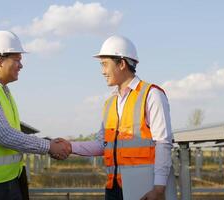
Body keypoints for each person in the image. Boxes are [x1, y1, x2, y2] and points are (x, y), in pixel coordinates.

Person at [0, 30, 71, 200]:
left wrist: (47, 142)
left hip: (7, 180)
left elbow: (11, 134)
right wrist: (48, 147)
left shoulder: (2, 91)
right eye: (17, 60)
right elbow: (4, 136)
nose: (21, 66)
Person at [67, 35, 177, 200]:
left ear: (122, 63)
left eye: (105, 64)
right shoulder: (110, 102)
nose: (102, 71)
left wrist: (159, 189)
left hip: (145, 189)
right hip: (114, 188)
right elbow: (102, 144)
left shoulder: (151, 95)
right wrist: (69, 146)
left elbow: (163, 142)